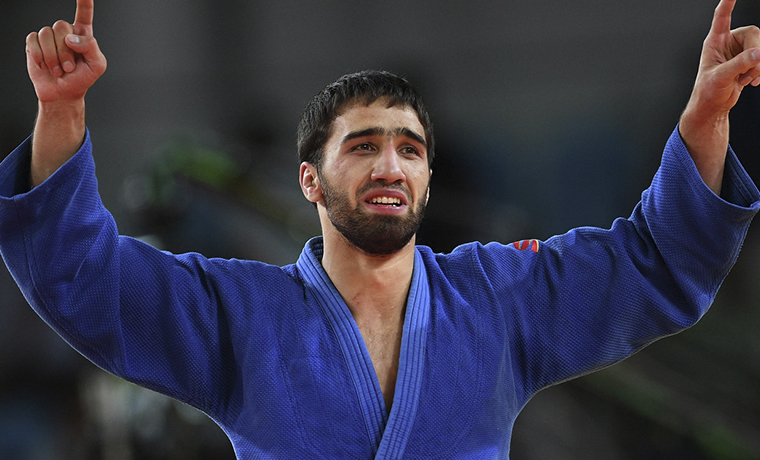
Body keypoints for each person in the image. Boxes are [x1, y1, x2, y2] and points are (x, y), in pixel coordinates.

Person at [2, 0, 760, 458]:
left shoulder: (496, 300)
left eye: (411, 149)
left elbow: (653, 263)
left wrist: (704, 123)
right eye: (363, 147)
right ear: (310, 180)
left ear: (429, 179)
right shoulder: (241, 315)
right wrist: (61, 113)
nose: (391, 166)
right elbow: (82, 279)